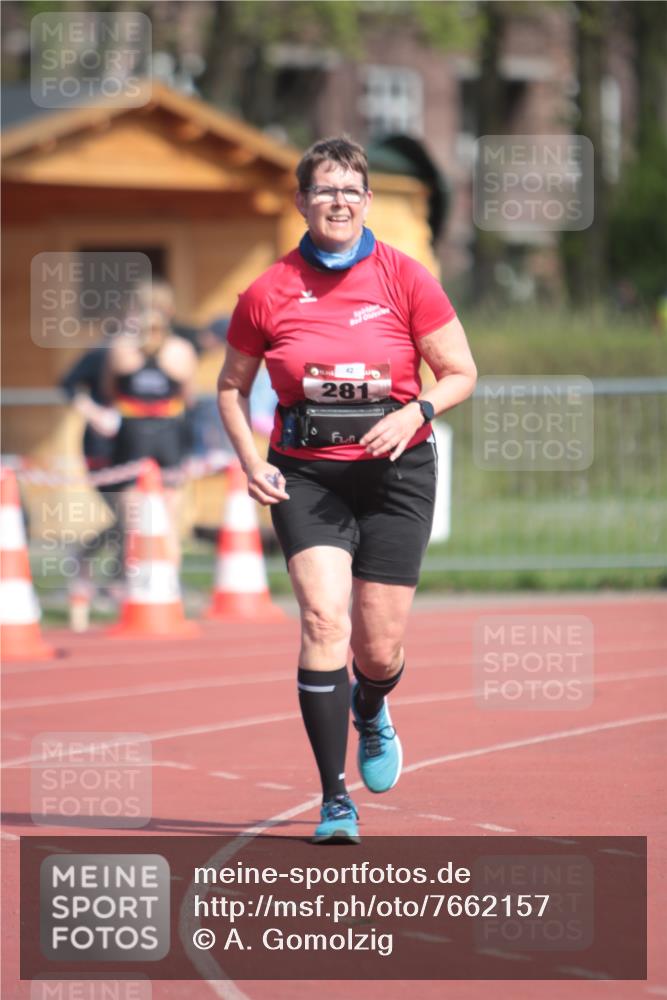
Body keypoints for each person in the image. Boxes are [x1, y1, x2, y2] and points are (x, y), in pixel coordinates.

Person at [217, 136, 477, 843]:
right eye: (324, 190)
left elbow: (459, 372)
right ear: (302, 201)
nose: (338, 201)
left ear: (367, 202)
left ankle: (372, 704)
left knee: (377, 646)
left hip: (397, 472)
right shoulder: (268, 290)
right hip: (306, 473)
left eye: (350, 191)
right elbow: (231, 388)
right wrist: (250, 461)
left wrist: (415, 410)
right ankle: (335, 799)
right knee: (322, 622)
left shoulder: (405, 277)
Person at [105, 306, 197, 565]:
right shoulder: (181, 350)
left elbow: (110, 390)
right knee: (169, 515)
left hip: (133, 431)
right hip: (168, 430)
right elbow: (189, 397)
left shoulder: (121, 349)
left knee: (132, 517)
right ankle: (170, 579)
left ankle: (131, 579)